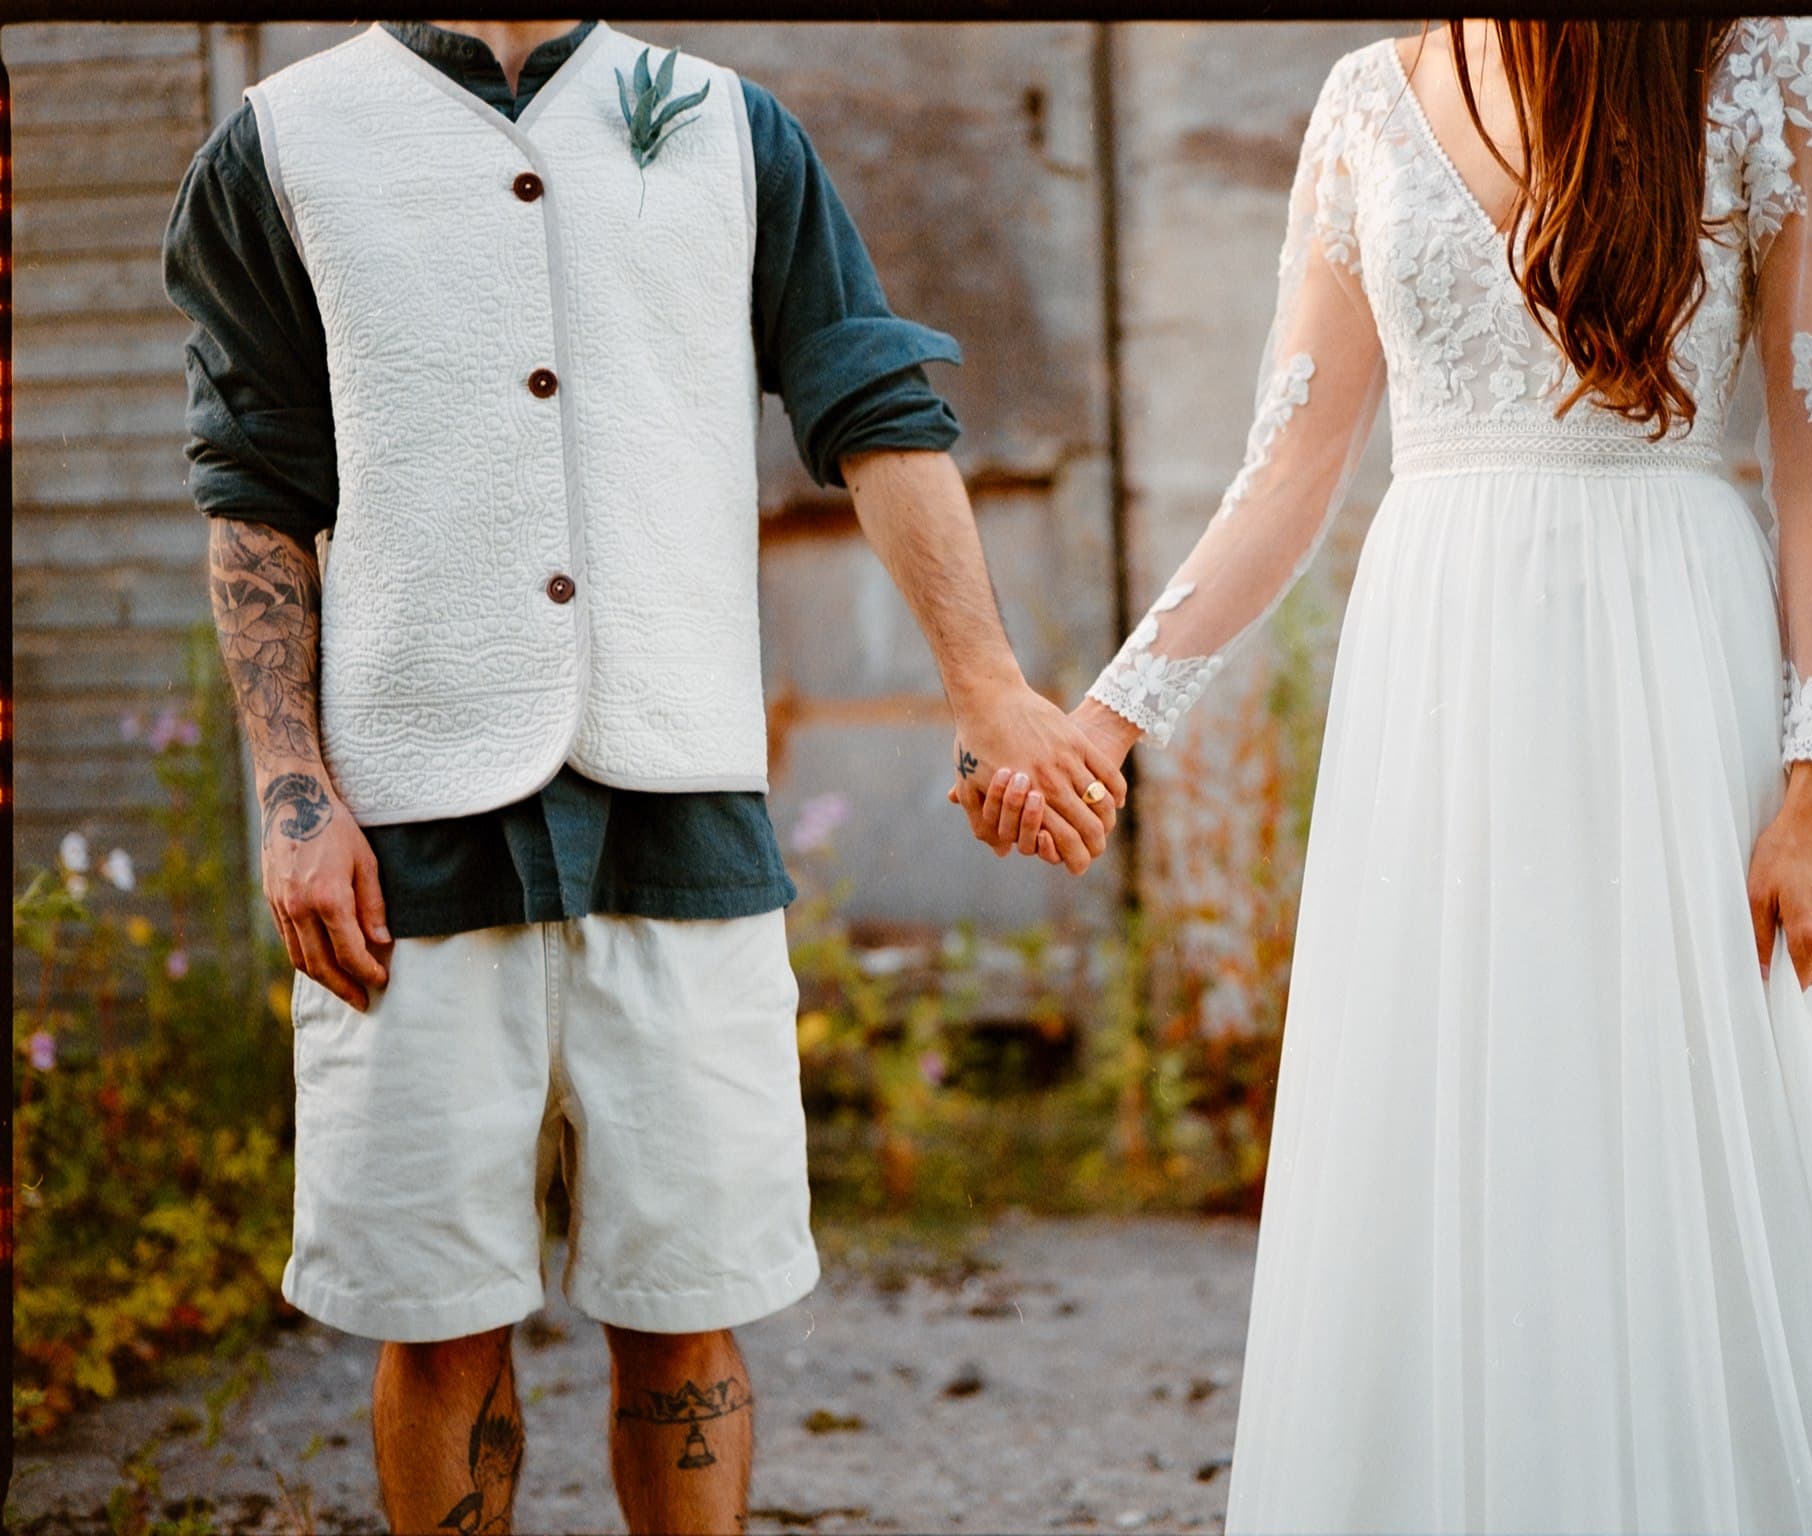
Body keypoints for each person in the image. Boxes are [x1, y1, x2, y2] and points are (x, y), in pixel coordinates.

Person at [963, 17, 1812, 1533]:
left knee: (1711, 1118)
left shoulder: (1774, 57)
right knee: (1461, 1122)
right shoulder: (1362, 97)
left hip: (1677, 655)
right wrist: (1106, 719)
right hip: (1439, 675)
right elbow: (1291, 464)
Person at [164, 17, 1122, 1532]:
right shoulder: (281, 142)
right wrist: (292, 793)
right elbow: (254, 489)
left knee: (689, 1305)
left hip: (683, 821)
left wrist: (989, 684)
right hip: (406, 839)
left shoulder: (737, 128)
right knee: (437, 1321)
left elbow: (871, 406)